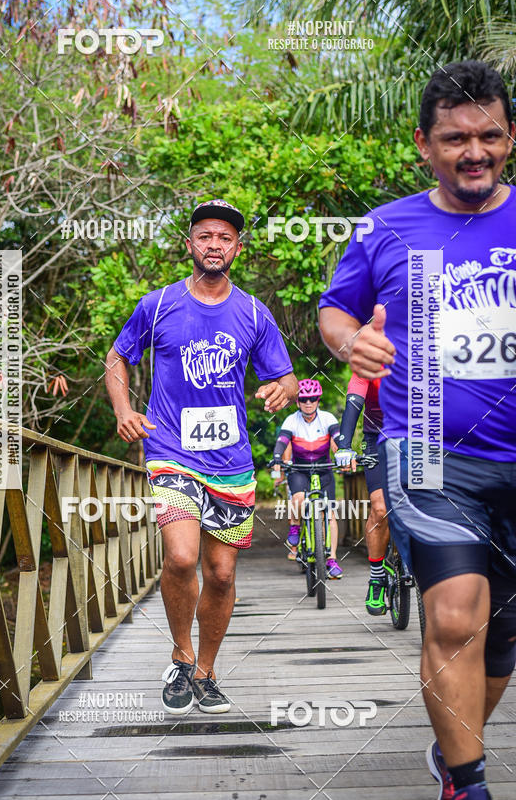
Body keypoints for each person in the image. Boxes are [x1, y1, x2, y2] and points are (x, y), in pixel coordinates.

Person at [319, 60, 515, 800]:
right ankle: (468, 788)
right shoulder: (387, 226)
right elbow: (336, 312)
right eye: (455, 138)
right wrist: (347, 346)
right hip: (426, 440)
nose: (474, 151)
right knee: (457, 616)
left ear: (509, 138)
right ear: (423, 145)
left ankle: (453, 743)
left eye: (489, 135)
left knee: (500, 638)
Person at [105, 198, 298, 716]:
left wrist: (283, 388)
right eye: (205, 235)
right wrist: (124, 409)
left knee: (221, 574)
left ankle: (207, 671)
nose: (215, 245)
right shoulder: (160, 304)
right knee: (183, 557)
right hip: (170, 449)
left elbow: (283, 375)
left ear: (238, 247)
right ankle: (181, 654)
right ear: (189, 243)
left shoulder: (254, 312)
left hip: (230, 460)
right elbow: (118, 357)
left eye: (225, 237)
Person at [271, 379, 343, 578]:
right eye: (304, 399)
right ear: (298, 402)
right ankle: (295, 527)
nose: (308, 403)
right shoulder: (291, 420)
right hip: (299, 469)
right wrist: (277, 458)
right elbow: (282, 441)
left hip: (324, 468)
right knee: (299, 500)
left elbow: (337, 438)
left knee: (329, 514)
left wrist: (343, 452)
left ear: (318, 400)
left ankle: (331, 559)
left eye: (312, 399)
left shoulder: (327, 418)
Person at [335, 373, 389, 614]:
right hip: (377, 436)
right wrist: (345, 445)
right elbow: (355, 400)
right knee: (379, 509)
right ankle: (377, 578)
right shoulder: (370, 360)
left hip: (419, 433)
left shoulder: (423, 353)